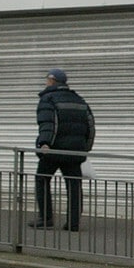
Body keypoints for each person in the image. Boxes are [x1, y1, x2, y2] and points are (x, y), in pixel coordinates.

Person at [32, 68, 95, 231]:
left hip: (54, 150)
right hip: (74, 152)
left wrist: (44, 143)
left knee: (42, 179)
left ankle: (46, 219)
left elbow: (47, 123)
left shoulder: (48, 99)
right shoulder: (79, 100)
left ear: (52, 80)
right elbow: (90, 127)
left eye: (47, 79)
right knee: (74, 185)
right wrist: (85, 149)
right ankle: (73, 223)